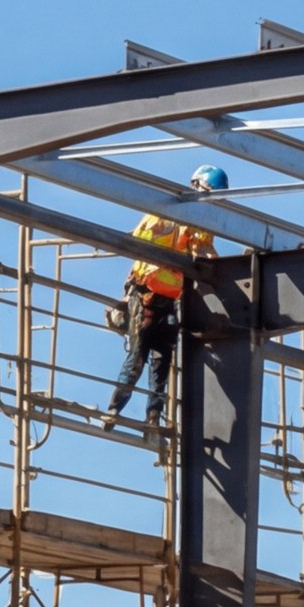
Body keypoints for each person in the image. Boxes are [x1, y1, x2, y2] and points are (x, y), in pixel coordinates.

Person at [102, 165, 227, 429]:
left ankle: (152, 419)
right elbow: (148, 240)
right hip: (147, 292)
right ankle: (115, 410)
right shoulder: (171, 213)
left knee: (160, 362)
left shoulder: (191, 219)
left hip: (169, 298)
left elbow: (201, 254)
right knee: (138, 357)